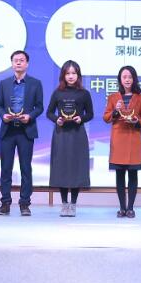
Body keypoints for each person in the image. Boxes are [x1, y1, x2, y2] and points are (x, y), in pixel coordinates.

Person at [0, 50, 44, 216]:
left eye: (21, 60)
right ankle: (5, 203)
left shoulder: (35, 83)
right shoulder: (4, 84)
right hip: (8, 130)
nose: (18, 63)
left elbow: (39, 107)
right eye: (15, 60)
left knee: (25, 168)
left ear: (27, 64)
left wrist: (29, 116)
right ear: (12, 63)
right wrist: (4, 115)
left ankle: (24, 204)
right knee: (6, 168)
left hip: (25, 130)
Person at [104, 65, 141, 218]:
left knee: (132, 174)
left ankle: (130, 208)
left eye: (130, 77)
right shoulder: (113, 97)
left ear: (134, 79)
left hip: (133, 138)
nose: (127, 80)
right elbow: (106, 118)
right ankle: (121, 208)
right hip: (118, 139)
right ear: (120, 79)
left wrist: (138, 122)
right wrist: (115, 111)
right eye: (124, 77)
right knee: (119, 175)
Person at [47, 60, 94, 217]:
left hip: (77, 133)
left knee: (76, 168)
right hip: (61, 134)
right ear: (63, 75)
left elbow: (90, 114)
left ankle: (73, 204)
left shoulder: (84, 94)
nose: (71, 76)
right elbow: (49, 112)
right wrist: (57, 120)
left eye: (74, 73)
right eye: (68, 73)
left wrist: (82, 118)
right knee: (62, 167)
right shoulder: (57, 93)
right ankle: (64, 204)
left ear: (78, 75)